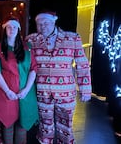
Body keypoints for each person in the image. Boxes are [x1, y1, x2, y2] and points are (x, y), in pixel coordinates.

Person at [25, 11, 92, 144]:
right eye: (39, 24)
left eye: (46, 23)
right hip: (42, 92)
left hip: (66, 92)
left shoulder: (72, 38)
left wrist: (85, 90)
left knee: (65, 127)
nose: (42, 27)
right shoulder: (31, 40)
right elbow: (25, 66)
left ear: (54, 22)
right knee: (45, 127)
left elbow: (82, 65)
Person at [0, 16, 39, 144]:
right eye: (9, 27)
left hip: (25, 93)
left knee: (22, 123)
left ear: (19, 29)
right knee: (8, 123)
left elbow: (33, 69)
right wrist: (8, 91)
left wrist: (26, 89)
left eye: (14, 27)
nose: (12, 29)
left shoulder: (28, 47)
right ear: (5, 29)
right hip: (5, 93)